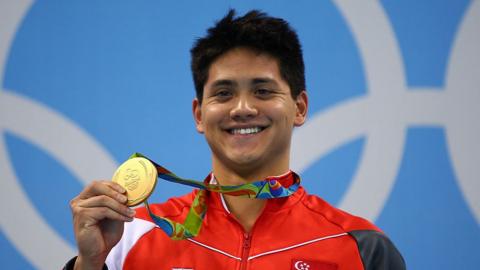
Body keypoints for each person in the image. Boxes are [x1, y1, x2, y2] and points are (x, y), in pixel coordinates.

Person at [65, 9, 405, 270]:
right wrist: (90, 265)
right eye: (224, 93)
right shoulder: (130, 236)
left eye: (262, 90)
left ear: (299, 107)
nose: (242, 108)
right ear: (199, 114)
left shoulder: (362, 247)